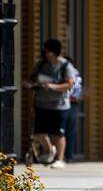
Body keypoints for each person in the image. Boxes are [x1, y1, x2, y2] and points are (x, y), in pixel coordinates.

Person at [23, 38, 77, 169]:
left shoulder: (65, 65)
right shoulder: (41, 64)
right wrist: (30, 84)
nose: (47, 54)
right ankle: (49, 150)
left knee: (58, 133)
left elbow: (70, 84)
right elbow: (32, 78)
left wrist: (52, 86)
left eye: (49, 51)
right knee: (39, 132)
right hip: (41, 104)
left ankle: (59, 159)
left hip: (59, 105)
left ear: (55, 52)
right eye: (45, 51)